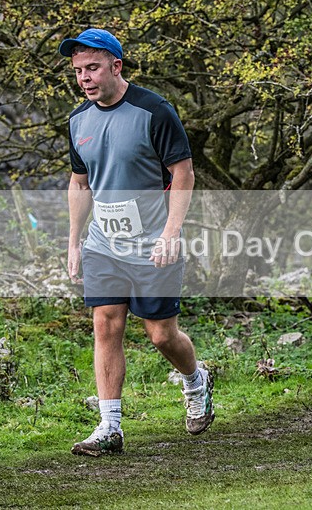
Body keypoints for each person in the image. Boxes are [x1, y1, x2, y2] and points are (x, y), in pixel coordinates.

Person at [59, 28, 214, 456]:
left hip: (152, 244)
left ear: (116, 66)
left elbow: (183, 174)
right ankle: (110, 427)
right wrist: (74, 243)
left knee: (162, 335)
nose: (85, 78)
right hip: (103, 244)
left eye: (92, 68)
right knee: (106, 323)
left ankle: (195, 380)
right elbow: (79, 183)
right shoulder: (77, 121)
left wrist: (171, 233)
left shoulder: (154, 111)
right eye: (78, 71)